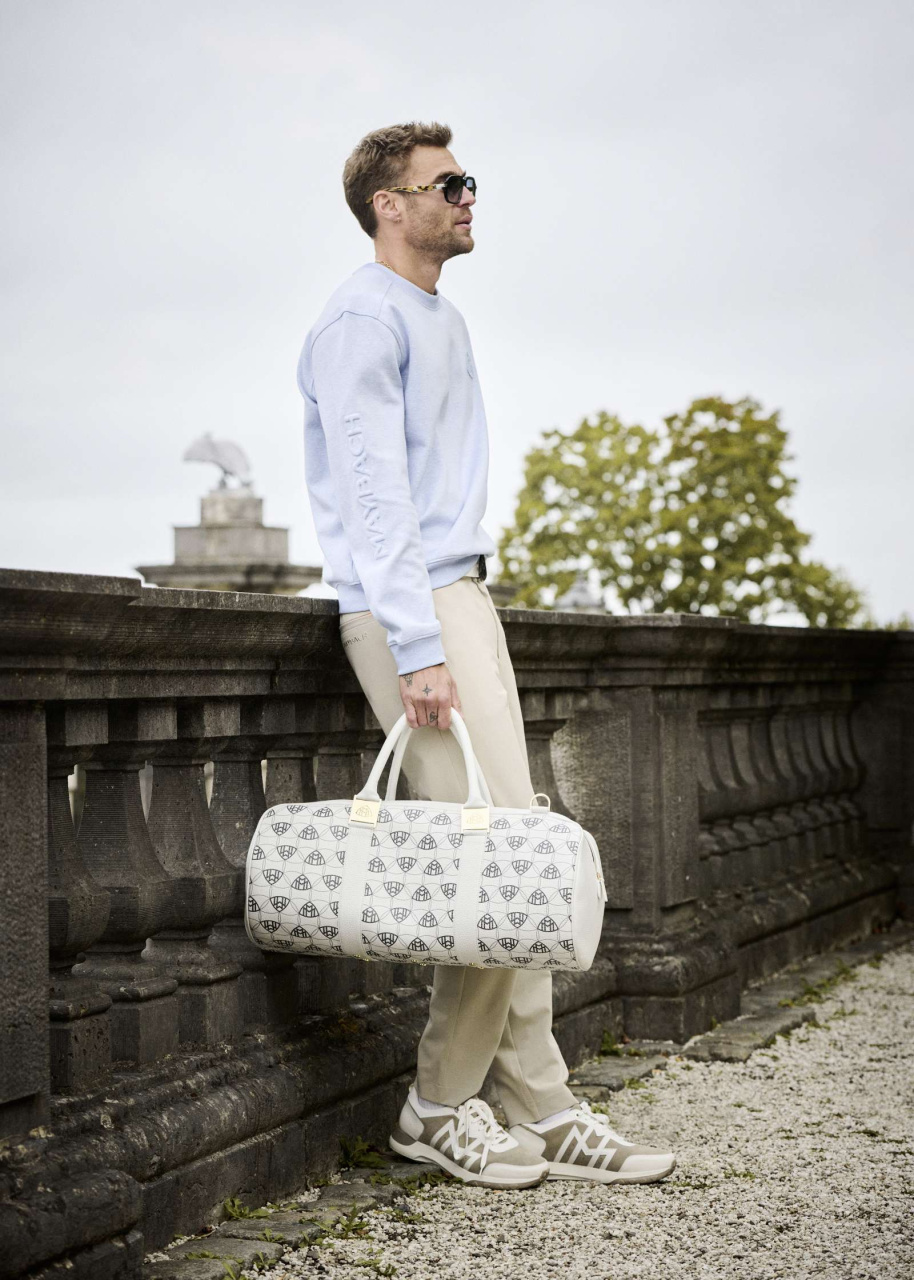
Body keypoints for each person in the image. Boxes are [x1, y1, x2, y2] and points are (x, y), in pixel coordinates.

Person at [296, 121, 677, 1189]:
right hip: (413, 607)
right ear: (389, 205)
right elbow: (375, 500)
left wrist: (453, 616)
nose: (468, 197)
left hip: (458, 592)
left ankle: (539, 1101)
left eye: (469, 181)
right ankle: (434, 1106)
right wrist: (420, 643)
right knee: (494, 858)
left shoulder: (438, 316)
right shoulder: (361, 320)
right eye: (447, 183)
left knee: (513, 853)